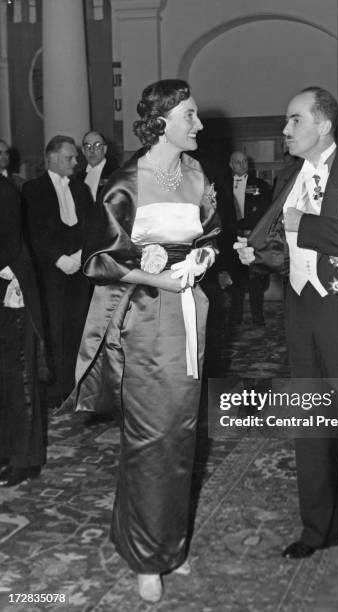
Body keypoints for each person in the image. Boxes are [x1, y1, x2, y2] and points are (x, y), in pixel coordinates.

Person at [70, 80, 220, 603]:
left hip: (190, 315)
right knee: (150, 436)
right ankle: (142, 556)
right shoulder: (126, 183)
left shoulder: (197, 174)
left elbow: (210, 233)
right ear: (161, 121)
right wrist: (155, 275)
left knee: (183, 434)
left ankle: (168, 546)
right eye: (190, 115)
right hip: (146, 318)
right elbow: (99, 260)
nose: (198, 124)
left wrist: (201, 259)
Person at [235, 86, 338, 583]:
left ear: (323, 125)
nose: (286, 130)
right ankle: (318, 527)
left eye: (294, 120)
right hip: (301, 314)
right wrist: (258, 255)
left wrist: (309, 221)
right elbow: (288, 250)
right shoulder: (287, 177)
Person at [23, 136, 94, 407]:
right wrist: (58, 259)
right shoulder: (33, 189)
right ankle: (55, 391)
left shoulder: (81, 189)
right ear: (52, 158)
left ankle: (75, 386)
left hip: (78, 271)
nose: (76, 162)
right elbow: (33, 231)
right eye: (70, 157)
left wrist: (79, 255)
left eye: (76, 157)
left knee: (78, 328)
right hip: (50, 274)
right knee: (54, 329)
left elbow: (90, 226)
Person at [0, 175, 47, 486]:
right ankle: (6, 450)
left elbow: (10, 245)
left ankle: (26, 458)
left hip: (12, 289)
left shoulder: (4, 192)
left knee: (20, 377)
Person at [227, 150, 272, 325]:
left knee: (255, 280)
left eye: (245, 161)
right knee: (236, 279)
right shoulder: (223, 185)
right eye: (237, 162)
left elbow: (267, 211)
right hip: (232, 237)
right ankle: (235, 318)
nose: (242, 165)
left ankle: (258, 318)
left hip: (253, 236)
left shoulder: (260, 184)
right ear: (231, 165)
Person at [76, 130, 119, 202]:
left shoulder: (116, 174)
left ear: (105, 149)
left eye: (97, 145)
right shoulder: (79, 176)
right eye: (87, 146)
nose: (92, 150)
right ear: (83, 151)